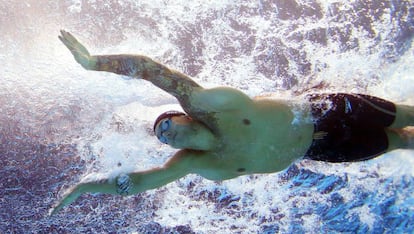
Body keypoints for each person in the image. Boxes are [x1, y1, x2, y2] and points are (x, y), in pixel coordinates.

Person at [50, 30, 414, 215]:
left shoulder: (208, 105)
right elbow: (139, 182)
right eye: (163, 138)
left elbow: (151, 70)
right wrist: (84, 189)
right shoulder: (198, 163)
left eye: (166, 125)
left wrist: (93, 62)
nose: (167, 134)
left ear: (183, 115)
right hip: (322, 148)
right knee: (401, 141)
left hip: (323, 111)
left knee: (406, 115)